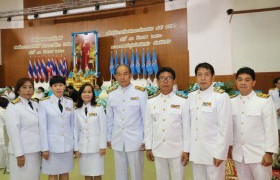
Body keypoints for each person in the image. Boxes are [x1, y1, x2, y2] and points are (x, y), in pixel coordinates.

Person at [229, 67, 278, 180]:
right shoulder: (231, 101)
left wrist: (269, 153)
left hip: (259, 155)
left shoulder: (264, 101)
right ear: (236, 82)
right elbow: (230, 128)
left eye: (247, 80)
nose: (243, 83)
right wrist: (229, 147)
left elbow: (271, 128)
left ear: (253, 82)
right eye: (240, 79)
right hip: (239, 154)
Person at [188, 62, 232, 180]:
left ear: (213, 77)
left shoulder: (221, 97)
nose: (203, 78)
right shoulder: (191, 97)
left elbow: (225, 127)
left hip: (213, 153)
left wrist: (220, 153)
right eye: (199, 75)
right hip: (196, 153)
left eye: (206, 74)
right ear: (196, 77)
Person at [144, 67, 190, 180]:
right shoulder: (151, 102)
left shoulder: (182, 101)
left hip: (177, 150)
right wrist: (149, 147)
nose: (165, 81)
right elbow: (148, 126)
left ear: (174, 81)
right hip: (158, 149)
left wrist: (186, 150)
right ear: (158, 81)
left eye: (169, 78)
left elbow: (187, 128)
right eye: (162, 78)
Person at [106, 64, 147, 180]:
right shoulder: (111, 94)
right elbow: (109, 119)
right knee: (120, 174)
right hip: (118, 139)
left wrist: (145, 139)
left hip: (136, 140)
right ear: (115, 76)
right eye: (119, 74)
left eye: (125, 74)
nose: (122, 77)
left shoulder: (140, 93)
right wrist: (108, 137)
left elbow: (145, 118)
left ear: (130, 75)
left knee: (136, 173)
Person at [39, 76, 74, 180]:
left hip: (67, 144)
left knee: (64, 172)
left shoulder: (70, 102)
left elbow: (72, 125)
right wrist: (44, 148)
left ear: (65, 86)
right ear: (50, 87)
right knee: (52, 174)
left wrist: (74, 145)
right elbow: (42, 127)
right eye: (55, 85)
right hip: (51, 146)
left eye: (61, 85)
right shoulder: (44, 103)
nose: (58, 88)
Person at [5, 78, 41, 180]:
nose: (28, 90)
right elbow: (13, 133)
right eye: (24, 87)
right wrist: (19, 154)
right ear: (18, 90)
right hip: (22, 152)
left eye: (30, 87)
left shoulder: (35, 104)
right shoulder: (13, 107)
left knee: (34, 177)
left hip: (35, 150)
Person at [74, 83, 107, 180]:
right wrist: (76, 148)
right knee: (87, 173)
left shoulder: (99, 108)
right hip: (83, 147)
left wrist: (102, 146)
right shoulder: (77, 110)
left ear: (93, 94)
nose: (87, 94)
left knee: (97, 173)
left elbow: (103, 128)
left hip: (96, 147)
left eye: (89, 92)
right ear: (80, 94)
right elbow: (76, 130)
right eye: (84, 92)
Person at [268, 77, 280, 144]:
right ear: (275, 84)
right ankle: (277, 147)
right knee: (276, 130)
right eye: (279, 83)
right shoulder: (271, 91)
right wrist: (277, 109)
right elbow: (270, 102)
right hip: (276, 113)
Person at [0, 97, 9, 169]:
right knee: (5, 151)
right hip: (2, 132)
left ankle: (2, 165)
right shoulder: (2, 110)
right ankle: (7, 167)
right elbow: (8, 121)